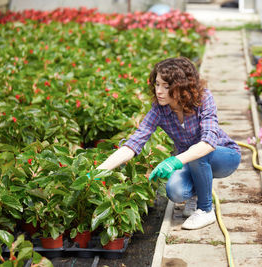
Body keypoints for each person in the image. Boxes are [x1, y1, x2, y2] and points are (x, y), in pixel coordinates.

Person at [96, 57, 241, 230]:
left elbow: (208, 143)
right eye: (157, 84)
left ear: (182, 86)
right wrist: (98, 171)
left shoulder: (203, 99)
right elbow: (133, 143)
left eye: (166, 86)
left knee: (197, 152)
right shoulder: (159, 110)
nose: (159, 91)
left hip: (224, 155)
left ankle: (205, 210)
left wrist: (174, 161)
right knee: (175, 191)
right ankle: (197, 194)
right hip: (191, 160)